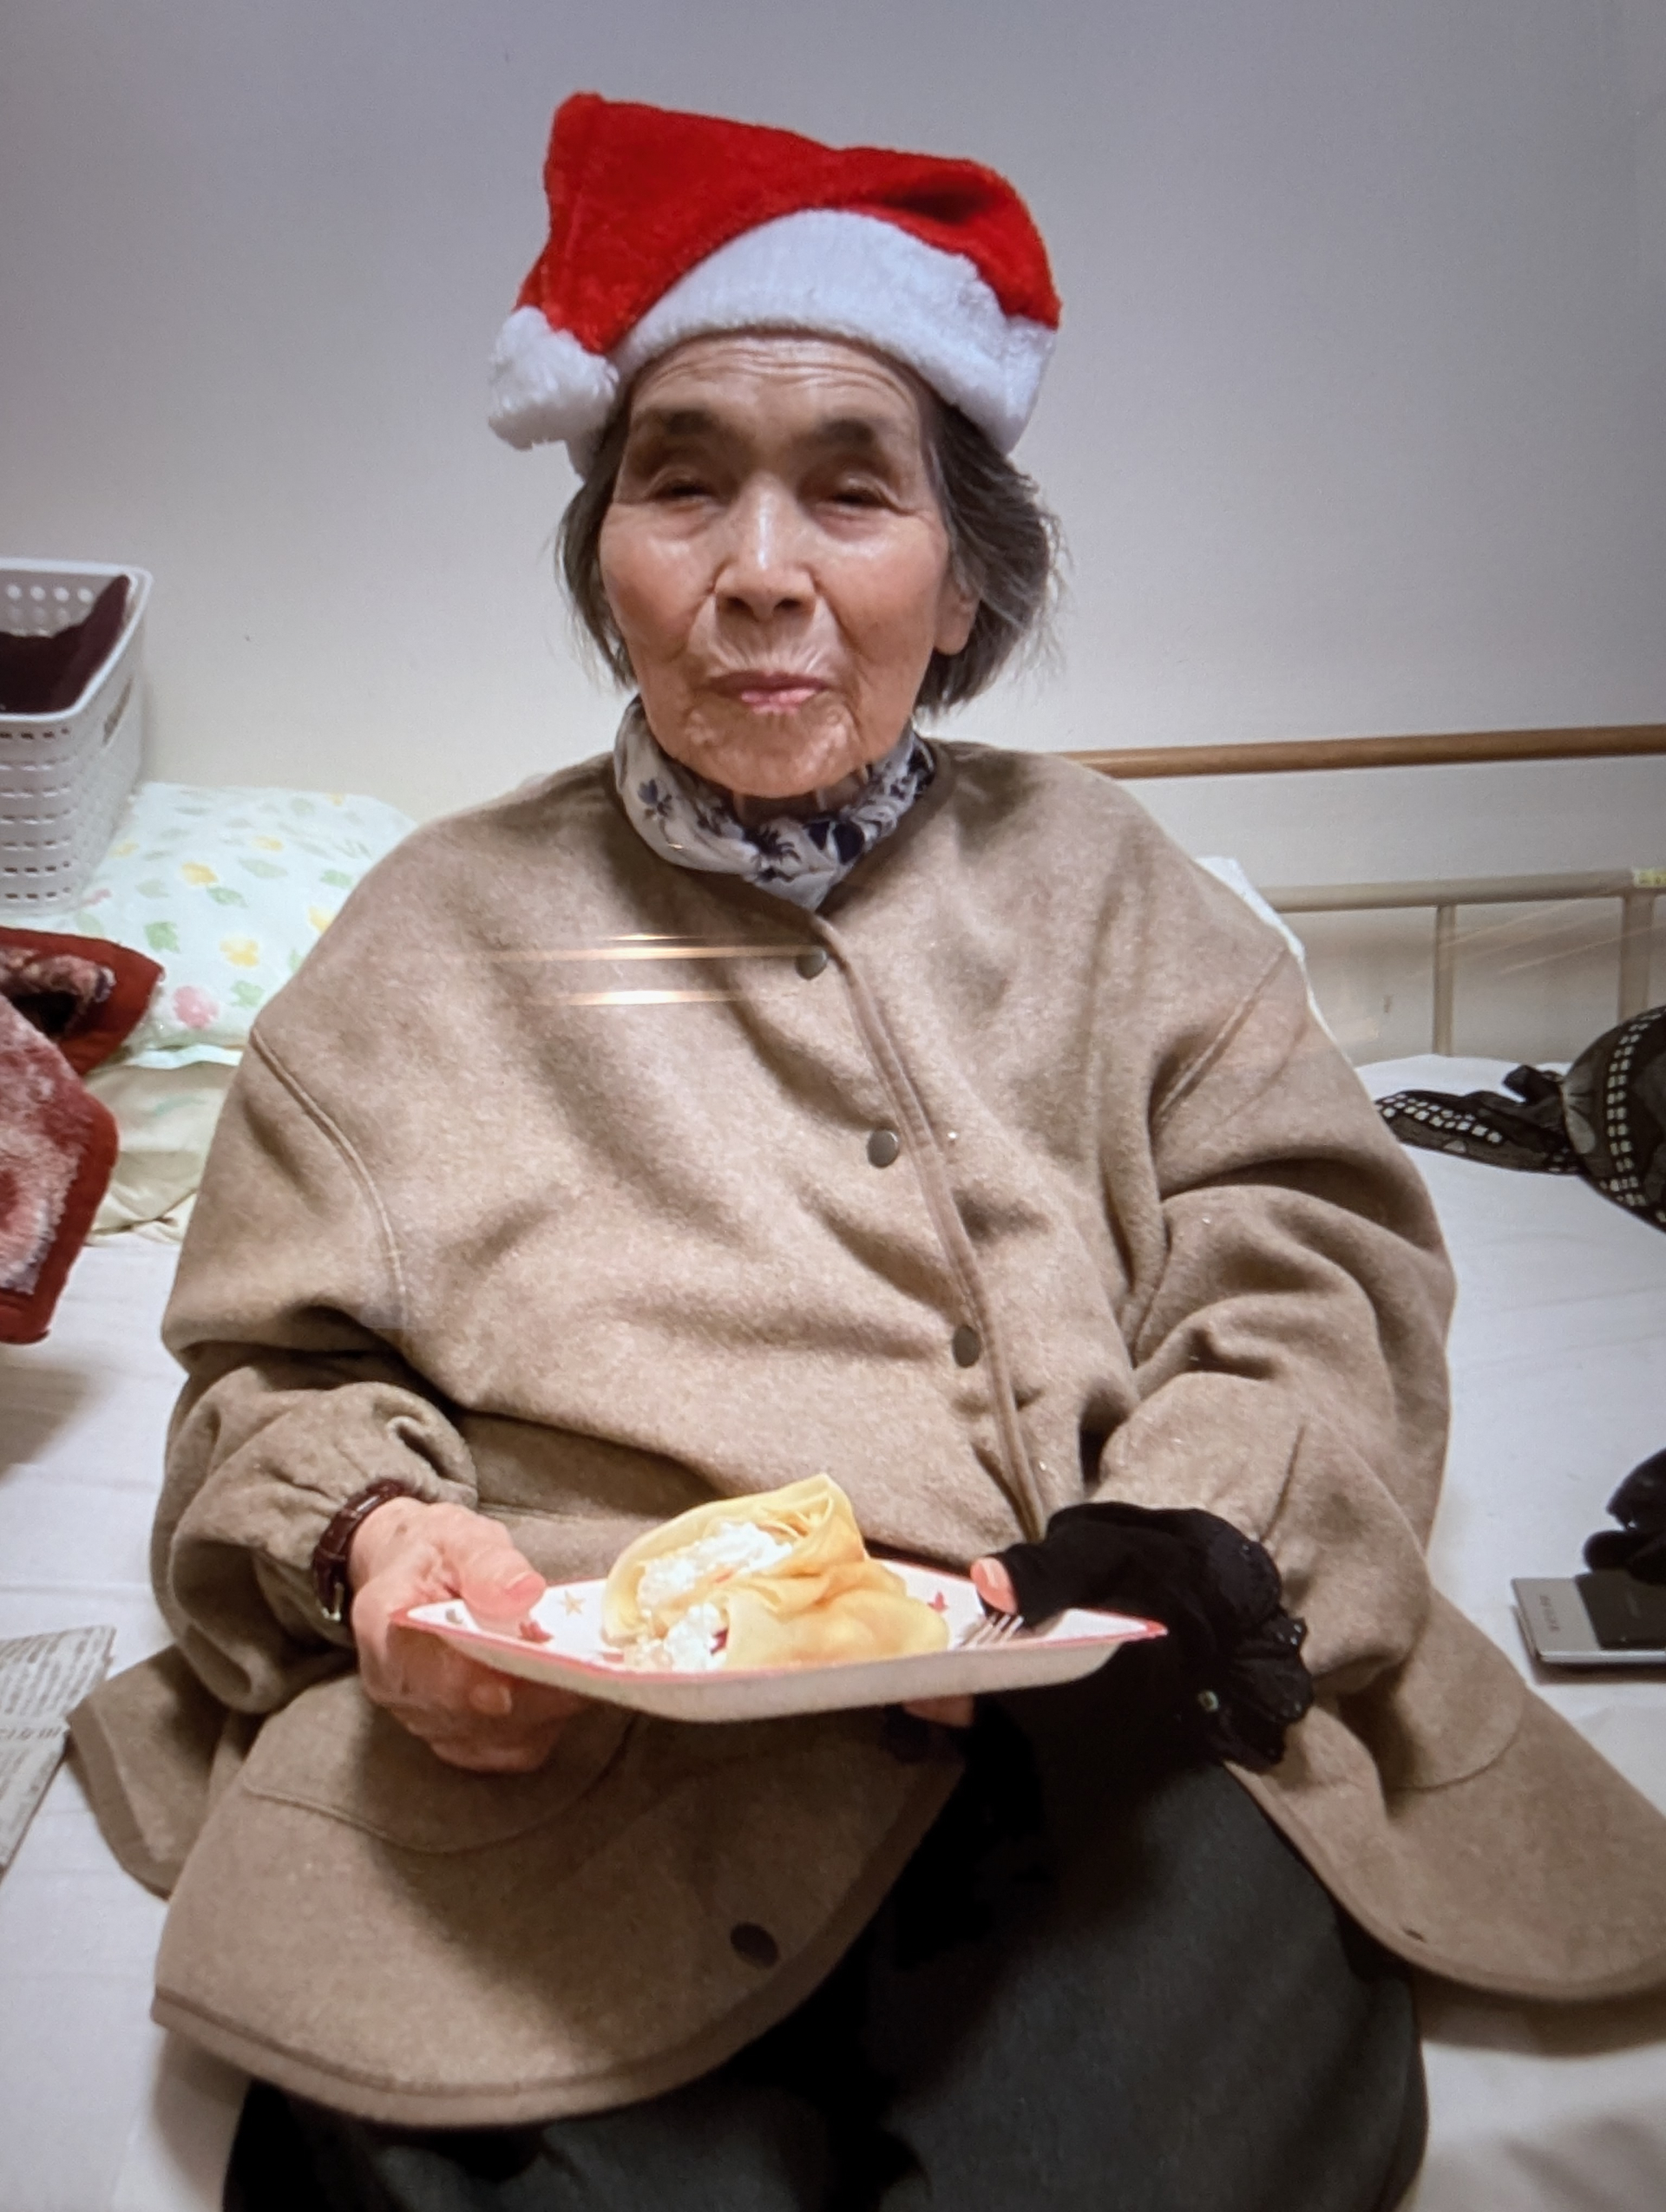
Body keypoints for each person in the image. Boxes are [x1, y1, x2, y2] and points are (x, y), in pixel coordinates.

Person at [71, 93, 1666, 2212]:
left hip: (1097, 1716)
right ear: (605, 557)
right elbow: (274, 1373)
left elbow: (1311, 1250)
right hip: (584, 1743)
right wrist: (377, 1540)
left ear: (963, 570)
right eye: (682, 484)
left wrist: (1190, 1522)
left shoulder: (1112, 885)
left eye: (851, 490)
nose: (762, 575)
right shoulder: (428, 937)